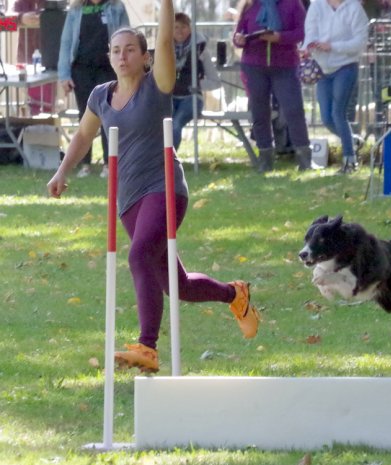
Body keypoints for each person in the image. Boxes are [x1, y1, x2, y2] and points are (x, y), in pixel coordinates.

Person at [47, 0, 261, 373]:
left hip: (164, 188)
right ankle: (234, 294)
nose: (122, 56)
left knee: (138, 255)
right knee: (177, 286)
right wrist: (62, 170)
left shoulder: (157, 85)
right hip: (128, 199)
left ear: (145, 58)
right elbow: (83, 135)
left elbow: (164, 41)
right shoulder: (100, 94)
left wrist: (165, 4)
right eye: (116, 50)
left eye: (130, 49)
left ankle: (147, 347)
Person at [233, 0, 312, 172]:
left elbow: (302, 33)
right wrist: (239, 39)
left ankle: (304, 158)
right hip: (254, 65)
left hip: (285, 65)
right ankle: (265, 159)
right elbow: (238, 33)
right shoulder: (249, 5)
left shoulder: (293, 4)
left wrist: (280, 37)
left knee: (293, 110)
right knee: (259, 112)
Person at [57, 0, 130, 179]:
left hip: (108, 70)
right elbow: (66, 42)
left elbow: (128, 36)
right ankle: (85, 164)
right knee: (85, 116)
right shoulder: (75, 10)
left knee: (109, 116)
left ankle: (109, 163)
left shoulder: (117, 7)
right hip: (81, 70)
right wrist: (64, 74)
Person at [302, 0, 368, 174]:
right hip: (322, 68)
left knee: (338, 113)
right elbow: (310, 32)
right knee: (326, 118)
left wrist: (333, 47)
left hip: (346, 66)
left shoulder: (354, 8)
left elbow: (360, 42)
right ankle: (352, 141)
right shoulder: (316, 6)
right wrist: (308, 47)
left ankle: (350, 162)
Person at [172, 12, 221, 151]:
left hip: (191, 98)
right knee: (163, 126)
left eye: (183, 27)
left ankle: (169, 162)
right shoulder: (164, 50)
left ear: (190, 28)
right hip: (169, 97)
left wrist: (196, 85)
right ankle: (157, 161)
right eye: (175, 27)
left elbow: (215, 81)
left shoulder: (201, 50)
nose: (179, 31)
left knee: (176, 124)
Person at [10, 0, 56, 115]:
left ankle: (47, 127)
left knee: (47, 102)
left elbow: (65, 17)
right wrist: (21, 18)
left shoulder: (52, 3)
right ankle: (30, 127)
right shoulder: (20, 3)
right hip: (26, 61)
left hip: (48, 60)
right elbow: (4, 22)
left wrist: (46, 19)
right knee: (31, 101)